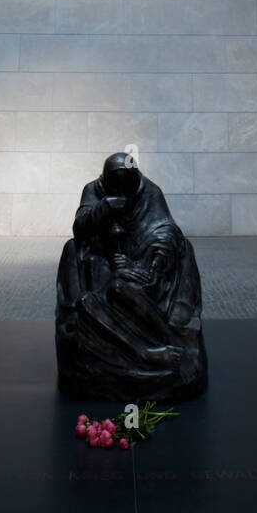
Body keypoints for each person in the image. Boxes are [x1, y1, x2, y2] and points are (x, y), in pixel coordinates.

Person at [55, 153, 208, 402]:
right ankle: (146, 350)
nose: (122, 188)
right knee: (74, 255)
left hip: (141, 263)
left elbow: (164, 230)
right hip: (104, 257)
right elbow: (80, 228)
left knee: (173, 254)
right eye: (116, 182)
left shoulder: (150, 192)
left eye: (127, 182)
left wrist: (146, 265)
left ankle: (161, 336)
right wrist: (104, 208)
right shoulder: (93, 190)